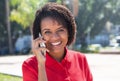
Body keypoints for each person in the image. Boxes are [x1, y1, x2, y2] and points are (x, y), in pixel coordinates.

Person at [22, 2, 93, 81]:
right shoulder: (30, 66)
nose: (55, 37)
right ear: (39, 35)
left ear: (69, 31)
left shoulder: (80, 59)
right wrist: (41, 65)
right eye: (47, 32)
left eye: (60, 30)